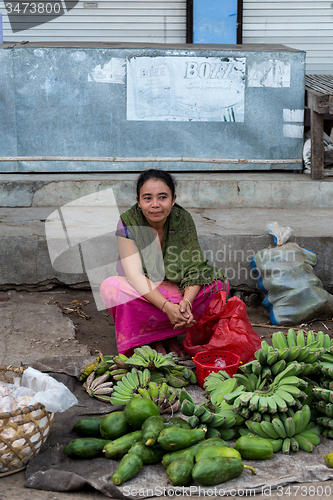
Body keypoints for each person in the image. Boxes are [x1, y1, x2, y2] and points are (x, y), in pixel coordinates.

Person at [100, 169, 229, 358]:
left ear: (173, 199)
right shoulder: (128, 222)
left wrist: (186, 302)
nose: (155, 205)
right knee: (111, 287)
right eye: (147, 198)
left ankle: (169, 331)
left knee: (219, 286)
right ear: (138, 200)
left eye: (162, 197)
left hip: (176, 289)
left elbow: (195, 268)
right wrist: (167, 307)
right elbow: (134, 275)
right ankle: (154, 337)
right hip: (146, 289)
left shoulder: (182, 219)